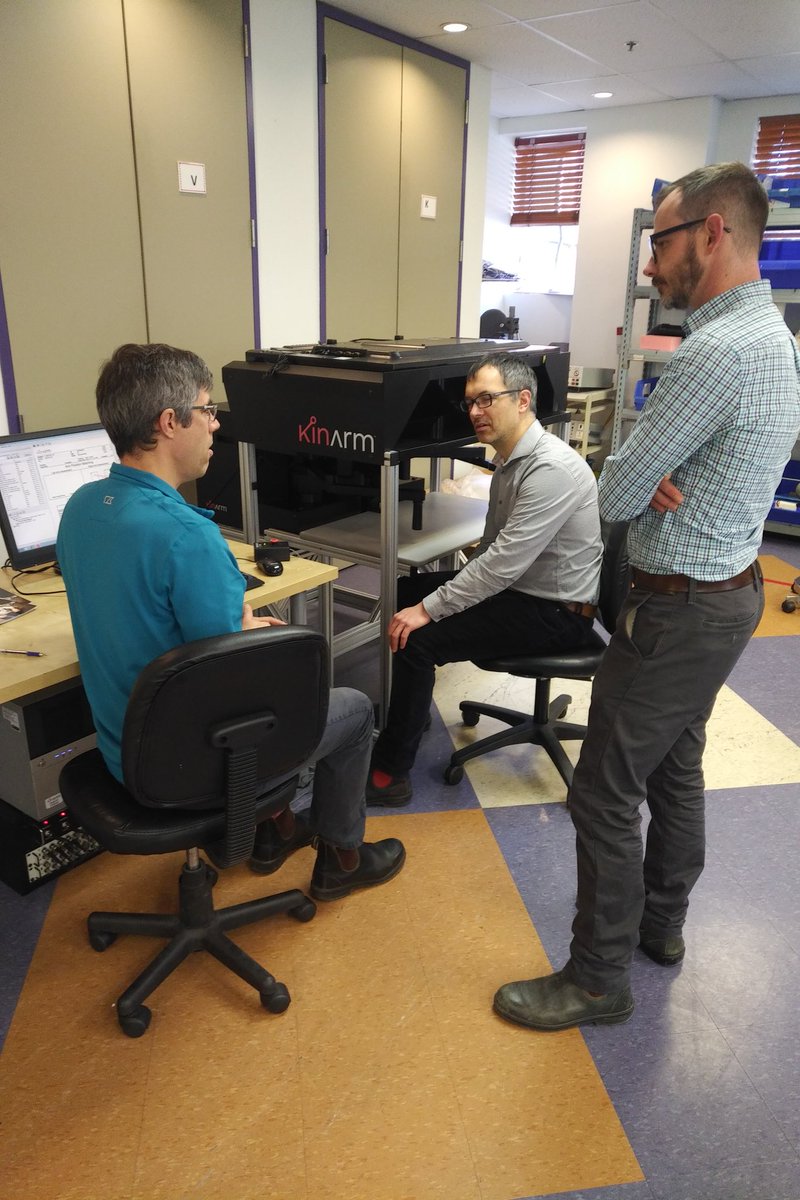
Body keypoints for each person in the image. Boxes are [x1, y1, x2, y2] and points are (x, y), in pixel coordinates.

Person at [494, 162, 800, 1033]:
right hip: (728, 595)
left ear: (712, 232)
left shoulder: (714, 350)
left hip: (676, 611)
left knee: (601, 791)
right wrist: (650, 469)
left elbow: (618, 491)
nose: (650, 263)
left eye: (660, 242)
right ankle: (660, 926)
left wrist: (637, 468)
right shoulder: (774, 336)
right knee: (675, 764)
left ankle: (597, 978)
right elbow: (652, 476)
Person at [56, 343, 405, 903]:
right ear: (169, 423)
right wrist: (253, 635)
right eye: (206, 409)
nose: (216, 423)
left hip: (124, 750)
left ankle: (274, 832)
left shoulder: (80, 508)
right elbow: (235, 683)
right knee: (355, 709)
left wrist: (236, 628)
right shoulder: (188, 536)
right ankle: (342, 858)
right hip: (189, 767)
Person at [366, 350, 603, 805]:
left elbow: (501, 564)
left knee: (418, 638)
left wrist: (431, 609)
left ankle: (389, 776)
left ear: (522, 400)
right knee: (403, 592)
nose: (475, 412)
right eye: (470, 402)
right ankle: (411, 711)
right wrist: (430, 601)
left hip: (556, 613)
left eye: (486, 399)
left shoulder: (550, 469)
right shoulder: (512, 460)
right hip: (524, 592)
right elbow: (494, 551)